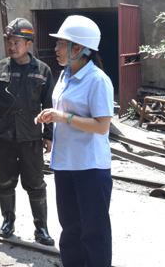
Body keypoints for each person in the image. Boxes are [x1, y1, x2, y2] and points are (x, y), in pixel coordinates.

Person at [35, 15, 114, 267]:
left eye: (61, 44)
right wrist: (51, 115)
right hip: (65, 164)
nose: (56, 49)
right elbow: (64, 112)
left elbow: (102, 126)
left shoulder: (97, 80)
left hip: (90, 167)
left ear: (78, 48)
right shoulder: (64, 75)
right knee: (70, 229)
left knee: (93, 231)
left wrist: (65, 117)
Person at [0, 18, 55, 245]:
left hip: (31, 136)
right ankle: (8, 222)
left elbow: (49, 105)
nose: (11, 46)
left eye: (16, 42)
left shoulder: (42, 70)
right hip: (3, 135)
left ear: (29, 44)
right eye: (9, 42)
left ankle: (41, 228)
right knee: (5, 181)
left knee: (36, 183)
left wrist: (49, 134)